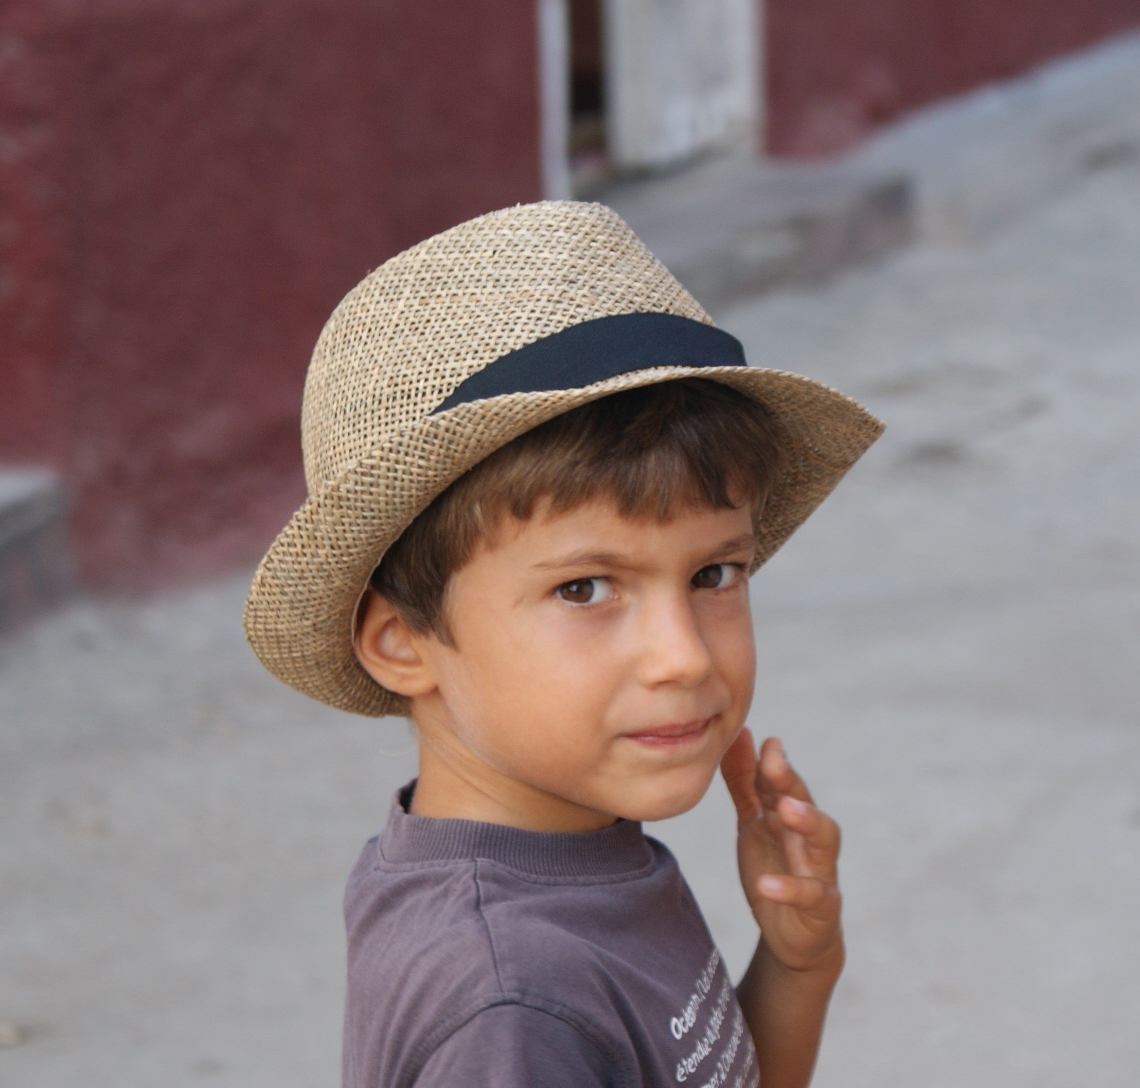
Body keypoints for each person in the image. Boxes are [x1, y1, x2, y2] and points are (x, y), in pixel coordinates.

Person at [243, 201, 882, 1088]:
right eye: (584, 589)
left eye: (713, 574)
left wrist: (798, 965)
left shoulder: (564, 846)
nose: (684, 657)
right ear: (401, 641)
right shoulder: (512, 1013)